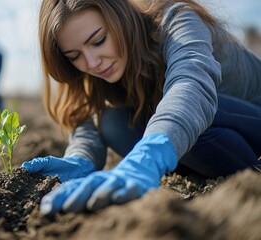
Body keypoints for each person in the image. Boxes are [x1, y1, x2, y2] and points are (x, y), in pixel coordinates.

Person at [22, 0, 261, 216]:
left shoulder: (177, 18)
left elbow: (191, 84)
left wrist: (149, 155)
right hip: (213, 142)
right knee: (112, 123)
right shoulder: (97, 66)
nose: (92, 63)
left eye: (98, 41)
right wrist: (80, 158)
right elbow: (88, 116)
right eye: (74, 56)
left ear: (120, 16)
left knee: (185, 117)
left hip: (249, 123)